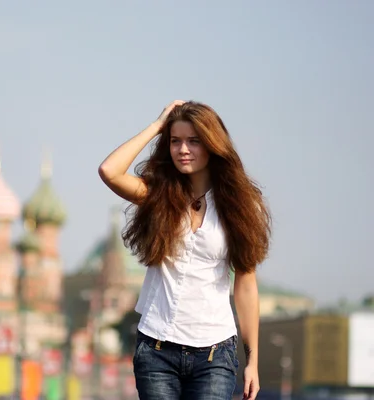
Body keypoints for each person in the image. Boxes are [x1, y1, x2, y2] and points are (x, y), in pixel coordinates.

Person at [98, 100, 271, 400]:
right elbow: (109, 171)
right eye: (175, 141)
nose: (183, 149)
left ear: (213, 144)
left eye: (194, 141)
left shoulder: (241, 205)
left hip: (214, 355)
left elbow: (246, 285)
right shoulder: (157, 196)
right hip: (156, 350)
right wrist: (156, 126)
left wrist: (252, 361)